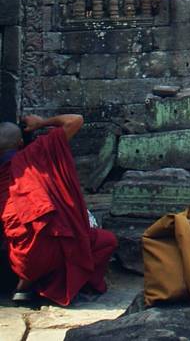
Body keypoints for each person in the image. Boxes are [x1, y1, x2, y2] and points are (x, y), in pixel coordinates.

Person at [0, 114, 117, 305]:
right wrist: (41, 123)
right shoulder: (35, 153)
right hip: (54, 241)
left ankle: (26, 285)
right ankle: (48, 286)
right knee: (104, 241)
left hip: (20, 257)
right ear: (20, 142)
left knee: (39, 233)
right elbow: (76, 120)